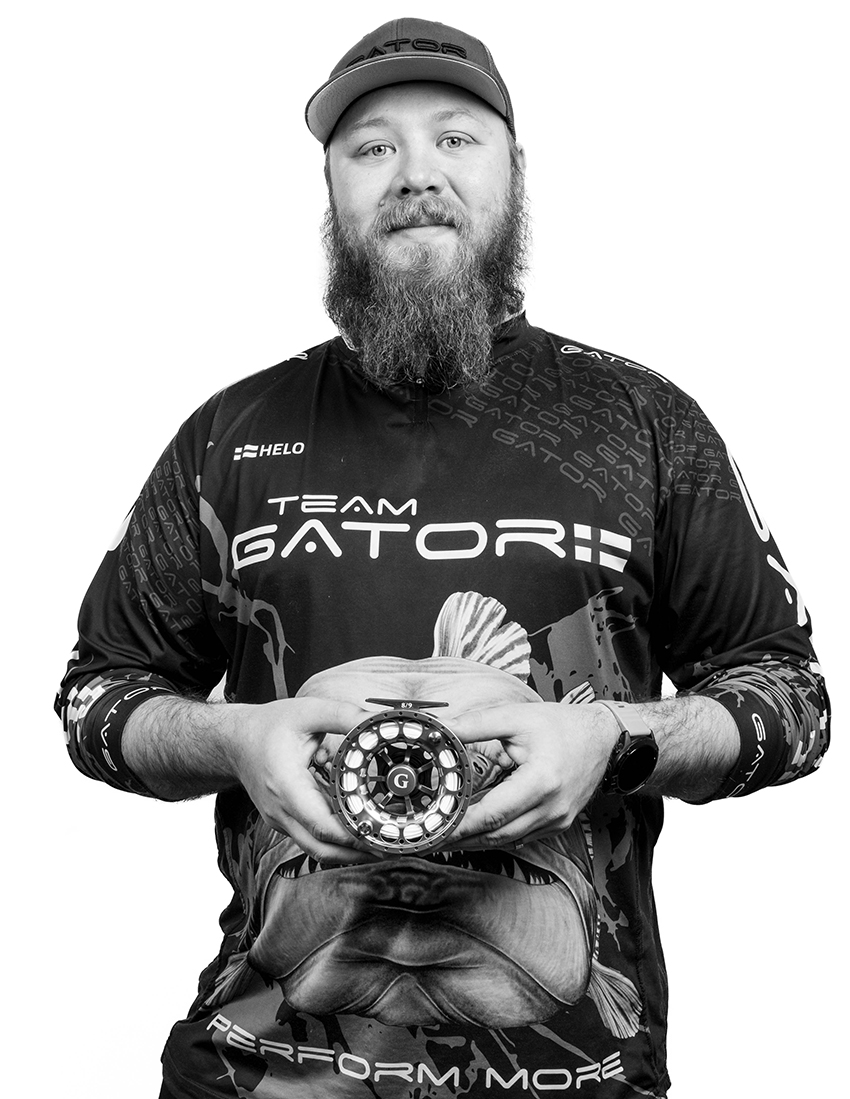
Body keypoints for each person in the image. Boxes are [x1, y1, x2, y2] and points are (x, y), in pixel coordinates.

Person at [56, 17, 829, 1099]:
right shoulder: (231, 435)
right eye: (372, 147)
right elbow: (94, 699)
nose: (415, 173)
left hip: (574, 1070)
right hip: (261, 1071)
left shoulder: (644, 424)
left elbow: (793, 701)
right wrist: (237, 734)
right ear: (332, 188)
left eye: (455, 138)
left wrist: (609, 738)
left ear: (516, 171)